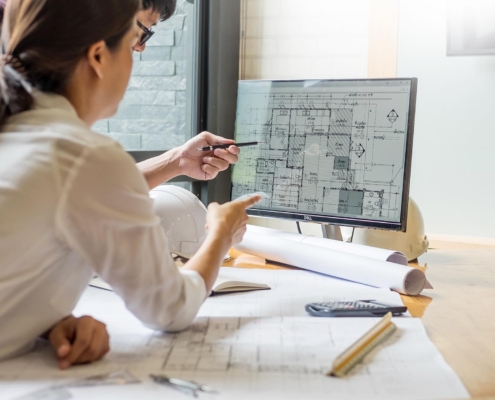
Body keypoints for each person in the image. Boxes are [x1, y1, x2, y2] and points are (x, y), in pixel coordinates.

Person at [0, 0, 259, 371]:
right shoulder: (83, 156)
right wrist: (220, 233)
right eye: (134, 40)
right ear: (98, 56)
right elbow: (170, 309)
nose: (137, 55)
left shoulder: (23, 132)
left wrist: (41, 322)